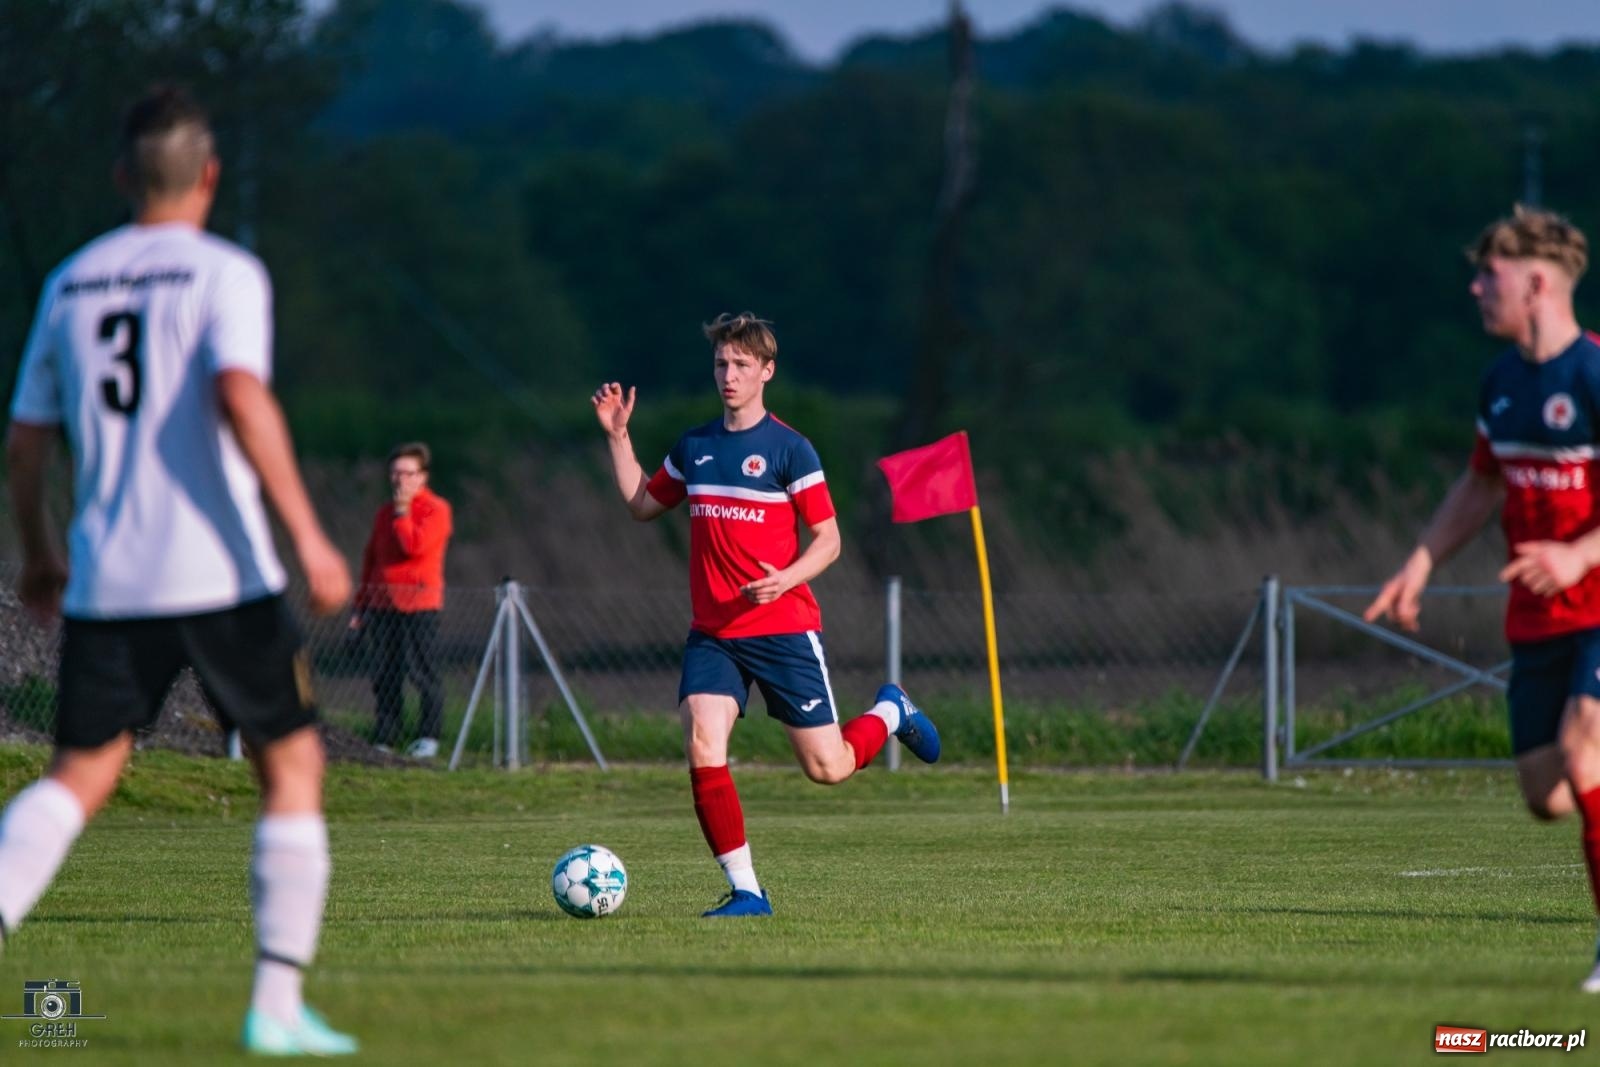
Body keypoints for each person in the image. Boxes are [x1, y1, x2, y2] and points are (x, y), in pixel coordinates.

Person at [0, 87, 358, 1054]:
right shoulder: (226, 272)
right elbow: (241, 394)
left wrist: (40, 552)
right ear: (209, 176)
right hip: (220, 572)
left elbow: (27, 443)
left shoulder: (72, 281)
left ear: (123, 178)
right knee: (290, 764)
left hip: (110, 578)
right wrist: (312, 539)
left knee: (80, 772)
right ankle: (275, 1010)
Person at [591, 311, 941, 918]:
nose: (728, 375)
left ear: (766, 372)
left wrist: (787, 578)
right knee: (703, 739)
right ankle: (747, 890)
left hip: (783, 628)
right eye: (721, 364)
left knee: (828, 768)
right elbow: (644, 505)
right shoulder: (695, 446)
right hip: (714, 635)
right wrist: (619, 438)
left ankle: (891, 711)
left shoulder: (789, 449)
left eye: (741, 365)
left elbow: (828, 539)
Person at [1364, 204, 1600, 992]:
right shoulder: (1500, 384)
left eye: (1488, 275)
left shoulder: (1595, 374)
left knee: (1585, 740)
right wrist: (1420, 563)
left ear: (1537, 283)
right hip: (1538, 620)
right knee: (1549, 795)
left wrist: (1578, 552)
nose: (1475, 288)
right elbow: (1479, 482)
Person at [350, 442, 452, 759]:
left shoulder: (435, 509)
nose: (400, 480)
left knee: (423, 672)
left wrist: (404, 513)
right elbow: (371, 559)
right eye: (395, 473)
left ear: (422, 476)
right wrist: (361, 605)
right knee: (385, 674)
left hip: (419, 604)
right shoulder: (383, 513)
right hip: (382, 605)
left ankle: (428, 736)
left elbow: (414, 546)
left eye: (408, 473)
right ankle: (387, 734)